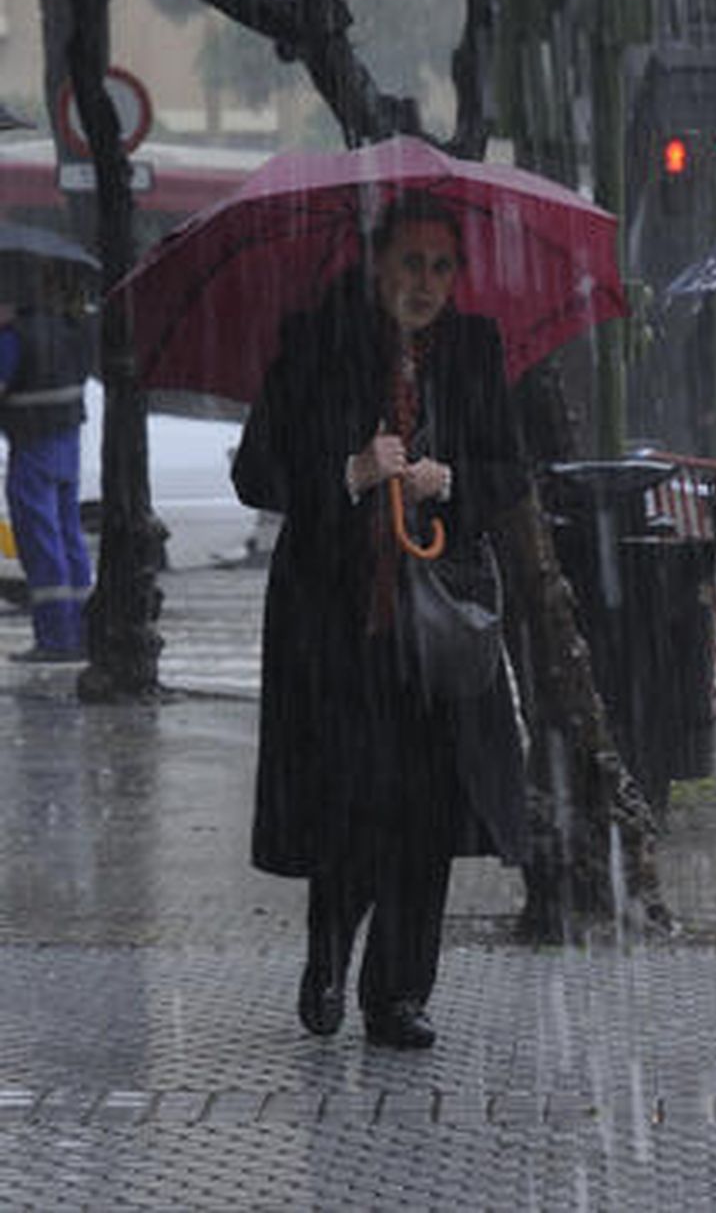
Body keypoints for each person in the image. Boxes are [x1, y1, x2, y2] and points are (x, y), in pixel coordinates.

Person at [232, 191, 532, 1051]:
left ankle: (397, 993)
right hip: (337, 629)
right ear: (375, 264)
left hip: (437, 630)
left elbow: (510, 472)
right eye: (411, 263)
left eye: (442, 267)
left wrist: (452, 481)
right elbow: (257, 473)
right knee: (351, 805)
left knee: (425, 814)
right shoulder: (315, 345)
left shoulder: (474, 352)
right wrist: (351, 473)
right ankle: (328, 953)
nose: (426, 283)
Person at [0, 273, 95, 663]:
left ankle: (56, 638)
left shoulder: (13, 337)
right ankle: (81, 632)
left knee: (40, 540)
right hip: (66, 441)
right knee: (68, 535)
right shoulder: (70, 328)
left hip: (33, 444)